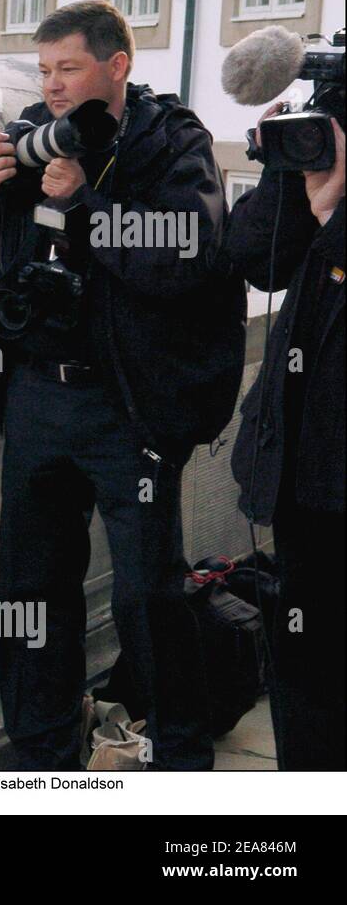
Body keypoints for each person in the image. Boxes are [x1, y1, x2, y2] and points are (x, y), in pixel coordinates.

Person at [0, 0, 246, 770]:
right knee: (29, 591)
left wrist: (84, 203)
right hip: (39, 396)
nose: (50, 86)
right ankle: (42, 749)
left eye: (68, 68)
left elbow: (180, 255)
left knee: (148, 597)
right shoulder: (33, 139)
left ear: (117, 67)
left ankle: (179, 754)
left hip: (129, 405)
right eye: (43, 70)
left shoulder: (171, 142)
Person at [223, 108, 345, 770]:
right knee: (303, 670)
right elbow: (252, 258)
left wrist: (335, 218)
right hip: (304, 467)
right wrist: (282, 170)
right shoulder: (323, 153)